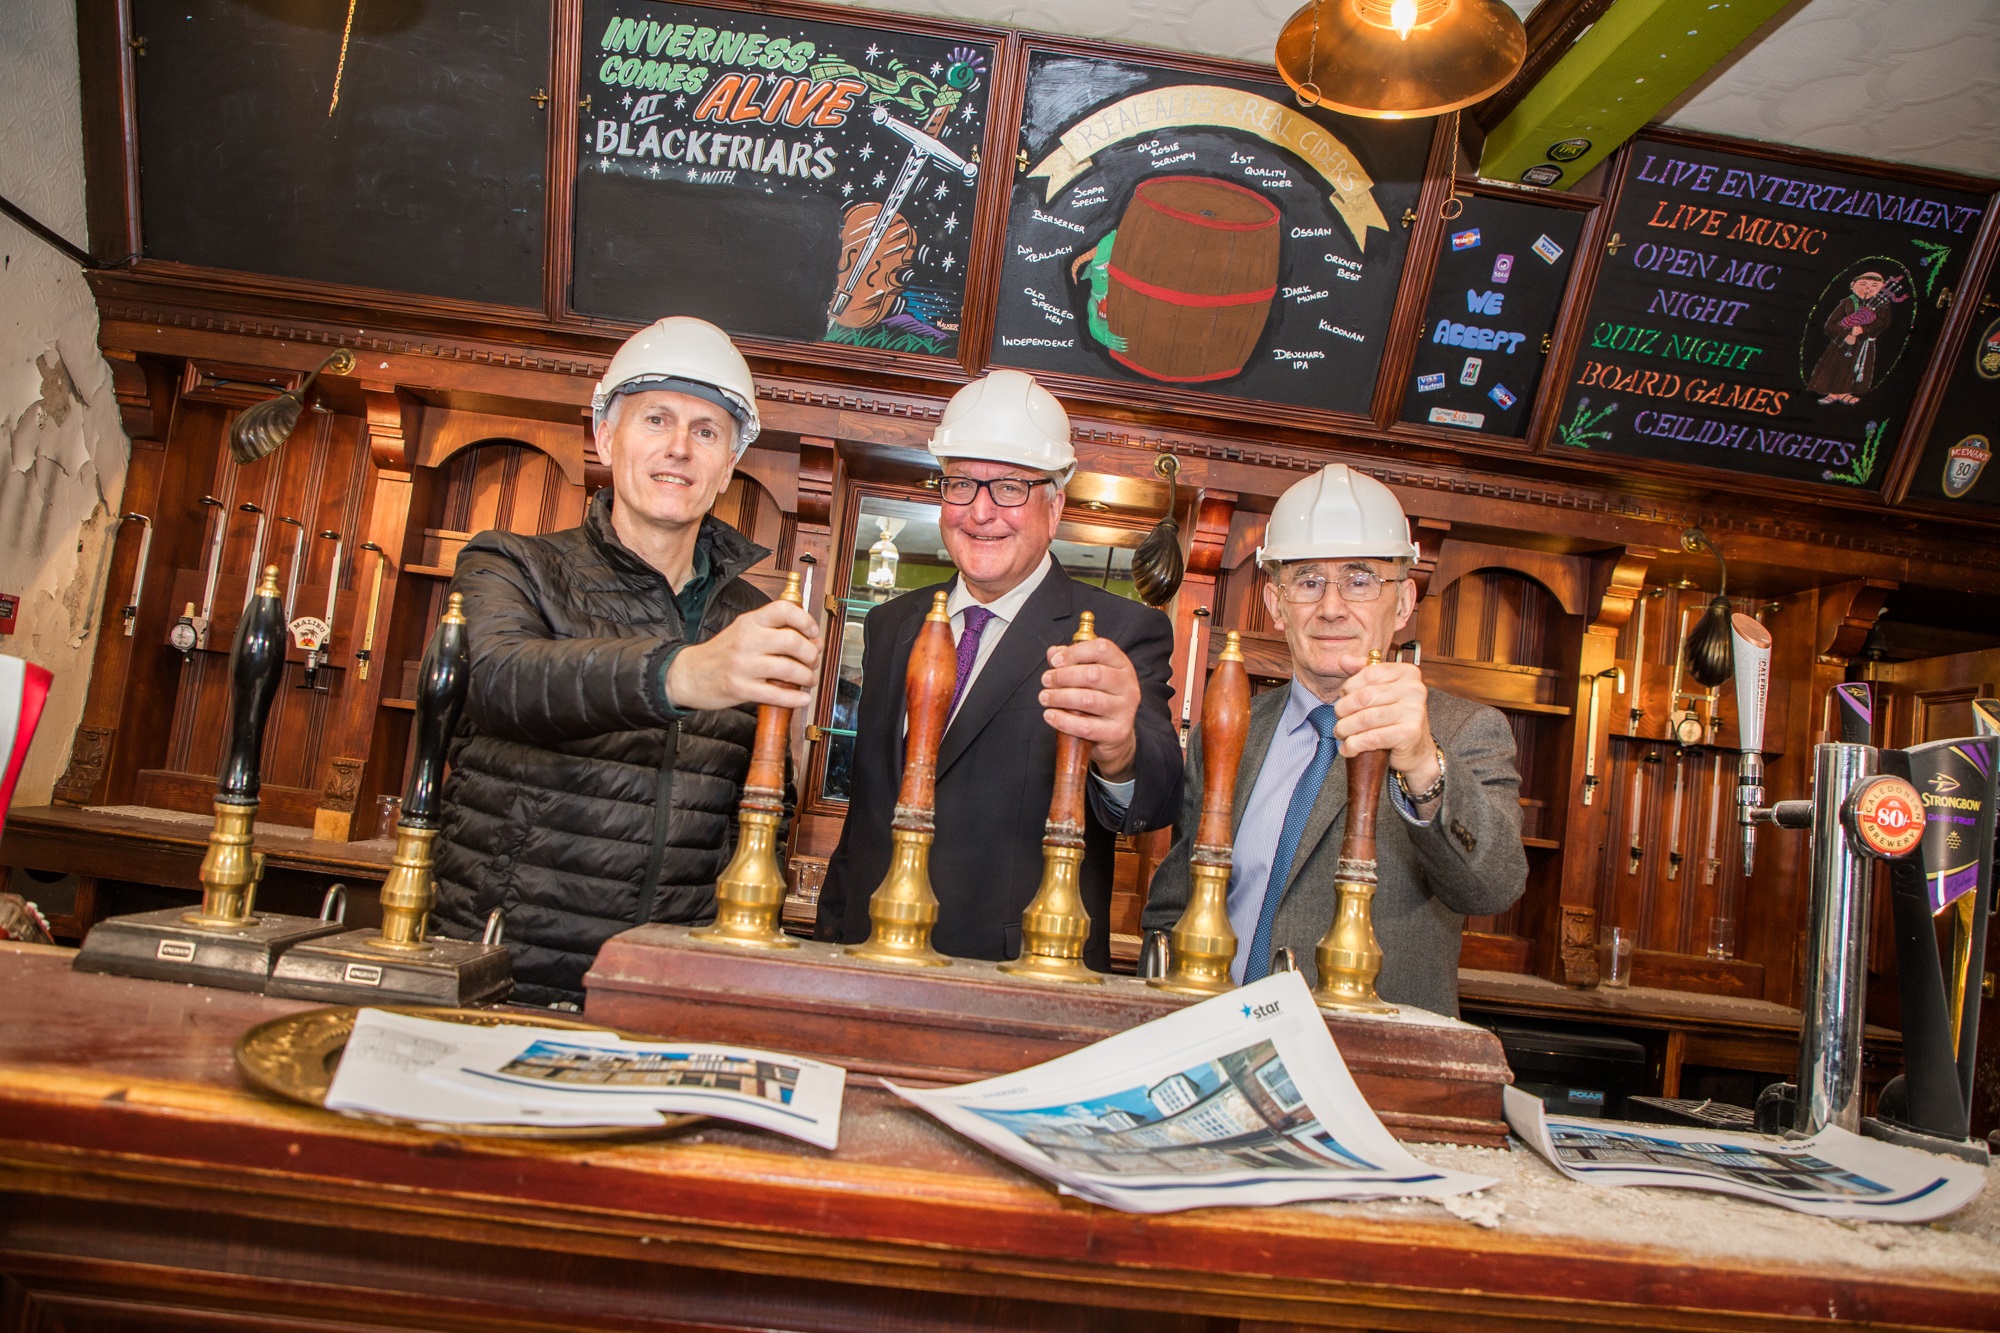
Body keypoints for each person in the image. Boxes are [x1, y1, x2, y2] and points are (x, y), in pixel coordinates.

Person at [432, 317, 821, 1007]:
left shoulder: (743, 621)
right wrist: (684, 673)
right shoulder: (510, 565)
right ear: (606, 435)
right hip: (505, 978)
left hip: (667, 992)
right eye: (656, 419)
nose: (680, 448)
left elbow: (756, 811)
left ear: (731, 461)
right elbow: (496, 680)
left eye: (706, 431)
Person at [816, 370, 1182, 969]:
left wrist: (1118, 749)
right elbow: (865, 821)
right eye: (960, 484)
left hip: (1022, 973)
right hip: (869, 955)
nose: (980, 512)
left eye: (1009, 487)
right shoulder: (892, 625)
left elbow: (1157, 800)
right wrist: (831, 940)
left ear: (1054, 505)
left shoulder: (1120, 630)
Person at [1141, 464, 1526, 1016]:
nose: (1331, 606)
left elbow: (1491, 887)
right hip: (1218, 1045)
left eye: (1360, 578)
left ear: (1402, 603)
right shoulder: (1231, 731)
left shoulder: (1465, 732)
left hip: (1368, 1068)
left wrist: (1421, 763)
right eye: (1307, 580)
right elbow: (1176, 898)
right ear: (1276, 605)